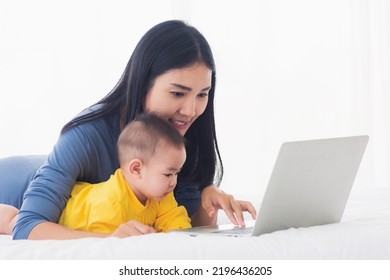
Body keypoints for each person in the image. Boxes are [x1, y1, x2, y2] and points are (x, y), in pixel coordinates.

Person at [0, 19, 256, 240]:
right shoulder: (86, 135)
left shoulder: (183, 136)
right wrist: (108, 238)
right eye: (177, 93)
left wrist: (206, 202)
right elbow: (26, 225)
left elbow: (181, 226)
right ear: (143, 83)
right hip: (11, 186)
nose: (191, 110)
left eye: (202, 95)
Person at [0, 113, 191, 237]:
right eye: (168, 174)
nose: (174, 182)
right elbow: (101, 245)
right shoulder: (112, 204)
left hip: (84, 192)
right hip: (64, 208)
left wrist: (181, 236)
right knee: (12, 221)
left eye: (176, 173)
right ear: (137, 169)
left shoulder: (160, 193)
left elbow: (174, 218)